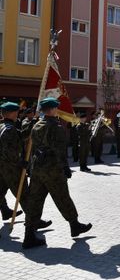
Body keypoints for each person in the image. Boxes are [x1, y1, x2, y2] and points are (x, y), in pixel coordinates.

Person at [23, 98, 91, 249]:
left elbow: (33, 148)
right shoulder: (56, 127)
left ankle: (28, 235)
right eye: (56, 108)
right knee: (62, 198)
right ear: (52, 109)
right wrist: (66, 168)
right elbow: (60, 151)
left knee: (34, 201)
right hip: (53, 170)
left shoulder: (36, 126)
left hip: (37, 170)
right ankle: (75, 225)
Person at [0, 102, 52, 237]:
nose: (18, 114)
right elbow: (9, 152)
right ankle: (34, 222)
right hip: (11, 170)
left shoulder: (3, 127)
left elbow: (21, 136)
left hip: (2, 169)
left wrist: (33, 123)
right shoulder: (10, 129)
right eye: (16, 112)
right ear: (11, 113)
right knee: (25, 196)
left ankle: (33, 220)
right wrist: (21, 162)